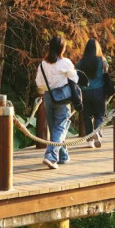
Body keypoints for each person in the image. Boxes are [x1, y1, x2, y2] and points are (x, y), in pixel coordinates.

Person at [35, 35, 82, 170]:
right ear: (62, 48)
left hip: (48, 97)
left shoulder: (43, 64)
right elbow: (75, 78)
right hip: (62, 98)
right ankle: (51, 156)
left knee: (54, 127)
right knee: (60, 127)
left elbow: (39, 83)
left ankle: (63, 156)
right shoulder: (65, 63)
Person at [77, 38, 108, 148]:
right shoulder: (101, 60)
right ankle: (97, 131)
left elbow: (78, 76)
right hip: (99, 90)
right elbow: (106, 71)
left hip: (85, 92)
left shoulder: (81, 62)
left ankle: (90, 140)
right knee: (99, 114)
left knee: (87, 116)